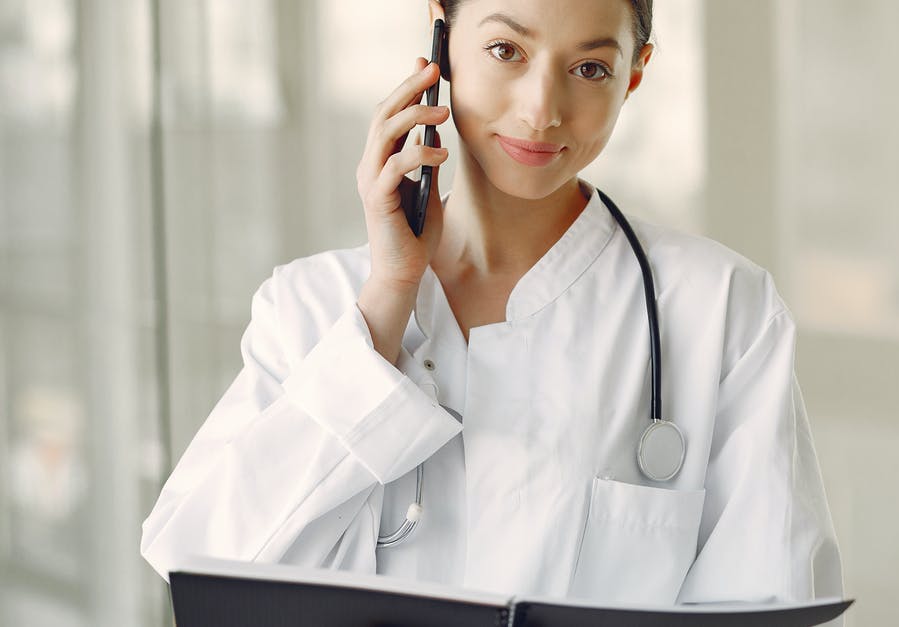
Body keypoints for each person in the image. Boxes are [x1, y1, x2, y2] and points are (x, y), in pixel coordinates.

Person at [140, 0, 843, 606]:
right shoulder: (309, 306)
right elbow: (202, 569)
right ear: (441, 40)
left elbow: (768, 601)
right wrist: (386, 301)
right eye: (506, 49)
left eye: (590, 68)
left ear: (635, 72)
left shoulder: (723, 310)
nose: (541, 109)